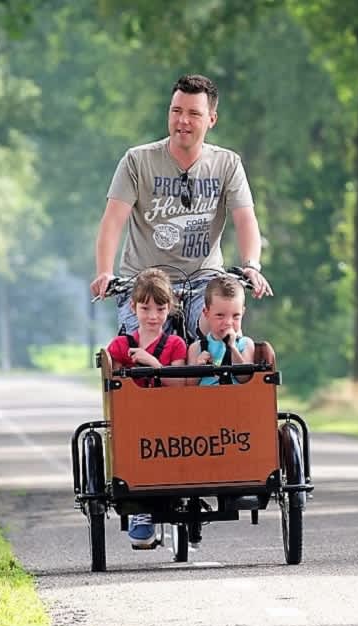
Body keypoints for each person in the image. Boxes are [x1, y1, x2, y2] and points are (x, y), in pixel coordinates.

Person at [90, 73, 273, 340]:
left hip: (203, 282)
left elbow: (245, 219)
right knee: (145, 354)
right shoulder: (138, 161)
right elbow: (113, 221)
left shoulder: (227, 164)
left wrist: (251, 266)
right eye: (176, 111)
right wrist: (105, 272)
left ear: (211, 119)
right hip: (145, 282)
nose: (182, 121)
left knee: (220, 334)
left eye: (193, 114)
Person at [105, 268, 188, 548]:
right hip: (133, 420)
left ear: (170, 308)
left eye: (160, 308)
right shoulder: (119, 346)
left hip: (169, 417)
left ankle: (176, 502)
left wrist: (151, 363)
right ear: (133, 308)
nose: (153, 316)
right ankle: (141, 510)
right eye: (145, 308)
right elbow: (113, 388)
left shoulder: (175, 344)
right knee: (133, 441)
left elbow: (177, 387)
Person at [187, 275, 256, 385]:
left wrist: (233, 348)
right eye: (220, 315)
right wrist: (198, 367)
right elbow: (189, 384)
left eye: (235, 316)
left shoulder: (245, 344)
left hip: (236, 400)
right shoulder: (196, 348)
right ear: (206, 313)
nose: (228, 322)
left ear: (243, 313)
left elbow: (245, 378)